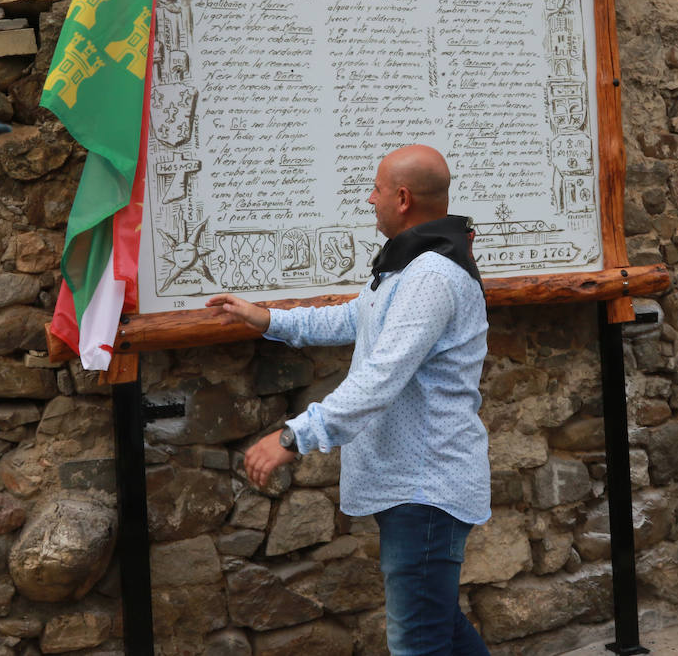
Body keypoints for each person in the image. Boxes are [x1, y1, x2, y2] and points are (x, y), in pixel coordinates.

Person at [207, 144, 491, 656]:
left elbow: (380, 378)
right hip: (413, 486)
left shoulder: (430, 276)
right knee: (440, 628)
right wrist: (266, 318)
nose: (369, 199)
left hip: (425, 489)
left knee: (418, 643)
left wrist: (293, 436)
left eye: (376, 190)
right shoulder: (411, 265)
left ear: (402, 198)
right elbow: (352, 319)